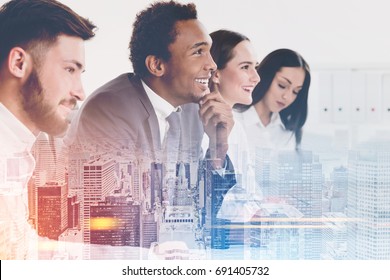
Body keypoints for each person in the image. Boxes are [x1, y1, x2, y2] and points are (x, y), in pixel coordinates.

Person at [65, 1, 235, 253]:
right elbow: (115, 223)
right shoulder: (110, 108)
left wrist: (218, 146)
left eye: (209, 52)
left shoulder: (192, 110)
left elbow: (202, 209)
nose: (211, 65)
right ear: (157, 65)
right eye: (198, 52)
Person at [0, 0, 96, 259]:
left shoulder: (15, 149)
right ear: (19, 63)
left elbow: (20, 249)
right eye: (69, 70)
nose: (80, 92)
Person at [205, 29, 262, 222]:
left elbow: (249, 190)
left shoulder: (237, 127)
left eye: (255, 67)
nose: (256, 77)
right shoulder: (191, 125)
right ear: (215, 74)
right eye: (245, 67)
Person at [236, 48, 311, 152]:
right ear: (266, 76)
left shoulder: (289, 130)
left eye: (295, 92)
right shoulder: (234, 120)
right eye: (282, 85)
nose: (287, 97)